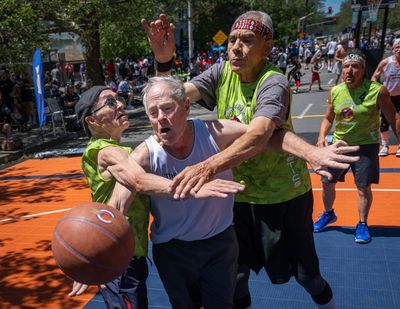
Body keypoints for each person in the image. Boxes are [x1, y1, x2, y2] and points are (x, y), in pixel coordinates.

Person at [142, 11, 361, 309]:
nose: (235, 47)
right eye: (232, 40)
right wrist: (164, 62)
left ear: (267, 48)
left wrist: (207, 167)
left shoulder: (274, 82)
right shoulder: (221, 73)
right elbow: (175, 99)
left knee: (306, 276)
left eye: (247, 41)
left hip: (283, 195)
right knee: (236, 277)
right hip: (238, 197)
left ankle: (330, 304)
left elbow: (259, 136)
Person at [70, 85, 246, 308]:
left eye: (120, 98)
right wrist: (191, 187)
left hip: (131, 253)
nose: (121, 104)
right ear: (92, 121)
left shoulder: (121, 150)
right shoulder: (103, 151)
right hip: (117, 257)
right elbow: (138, 180)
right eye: (111, 103)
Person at [314, 50, 399, 244]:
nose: (349, 71)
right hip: (339, 144)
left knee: (362, 187)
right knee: (327, 182)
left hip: (366, 145)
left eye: (355, 67)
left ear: (363, 71)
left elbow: (393, 117)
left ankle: (362, 223)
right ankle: (328, 214)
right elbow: (328, 118)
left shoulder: (377, 90)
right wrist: (321, 137)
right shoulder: (335, 91)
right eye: (346, 66)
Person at [371, 38, 400, 157]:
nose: (399, 50)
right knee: (384, 123)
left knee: (399, 121)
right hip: (387, 97)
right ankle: (385, 145)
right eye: (397, 47)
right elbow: (374, 77)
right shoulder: (386, 62)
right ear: (393, 49)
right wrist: (376, 90)